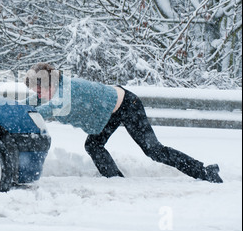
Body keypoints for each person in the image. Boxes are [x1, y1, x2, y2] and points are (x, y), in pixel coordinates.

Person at [24, 63, 223, 183]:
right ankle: (115, 180)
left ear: (48, 83)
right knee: (93, 145)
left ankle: (205, 171)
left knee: (154, 150)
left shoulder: (67, 90)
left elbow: (47, 109)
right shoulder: (55, 90)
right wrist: (16, 109)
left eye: (38, 90)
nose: (37, 94)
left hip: (128, 105)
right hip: (109, 111)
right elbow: (33, 103)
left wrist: (24, 115)